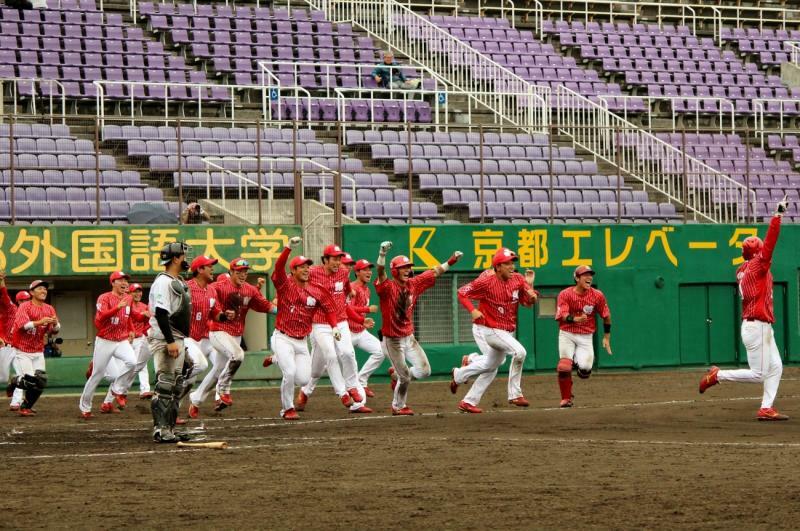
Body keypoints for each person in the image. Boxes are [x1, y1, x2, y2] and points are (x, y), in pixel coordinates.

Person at [699, 197, 789, 421]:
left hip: (760, 326)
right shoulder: (758, 265)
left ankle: (766, 408)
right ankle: (718, 376)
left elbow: (758, 257)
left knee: (776, 366)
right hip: (757, 325)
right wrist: (777, 216)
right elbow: (770, 244)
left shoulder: (744, 269)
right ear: (757, 252)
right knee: (759, 374)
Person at [375, 241, 462, 415]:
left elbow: (435, 272)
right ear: (394, 271)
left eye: (408, 267)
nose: (407, 269)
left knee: (425, 371)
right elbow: (380, 272)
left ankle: (396, 375)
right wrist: (382, 254)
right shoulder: (387, 287)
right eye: (403, 267)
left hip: (408, 337)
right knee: (405, 376)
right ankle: (398, 406)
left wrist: (451, 261)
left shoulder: (414, 284)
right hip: (392, 340)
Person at [450, 248, 538, 413]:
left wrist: (531, 291)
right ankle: (514, 394)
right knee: (520, 352)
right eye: (507, 263)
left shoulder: (518, 279)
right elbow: (462, 292)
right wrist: (472, 310)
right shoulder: (486, 281)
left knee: (492, 365)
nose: (512, 266)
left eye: (513, 262)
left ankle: (465, 391)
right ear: (497, 266)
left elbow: (526, 302)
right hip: (491, 329)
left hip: (507, 330)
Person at [270, 237, 340, 420]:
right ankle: (287, 409)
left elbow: (329, 309)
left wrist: (334, 327)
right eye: (301, 266)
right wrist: (287, 249)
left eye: (308, 266)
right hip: (283, 337)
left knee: (303, 379)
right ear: (292, 271)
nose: (306, 269)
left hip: (301, 341)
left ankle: (276, 358)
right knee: (290, 373)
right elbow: (278, 269)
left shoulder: (316, 290)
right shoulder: (285, 285)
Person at [296, 244, 370, 413]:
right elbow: (294, 279)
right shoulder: (313, 273)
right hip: (320, 324)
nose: (338, 262)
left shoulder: (343, 273)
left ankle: (349, 389)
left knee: (347, 353)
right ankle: (310, 392)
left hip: (340, 322)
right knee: (318, 367)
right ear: (325, 260)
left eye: (340, 259)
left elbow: (345, 288)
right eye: (334, 259)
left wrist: (350, 291)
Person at [208, 257, 275, 411]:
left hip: (236, 332)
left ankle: (199, 398)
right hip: (217, 330)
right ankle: (222, 390)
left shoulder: (248, 289)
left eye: (245, 271)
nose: (243, 274)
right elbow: (210, 302)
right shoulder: (218, 287)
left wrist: (279, 311)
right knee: (236, 356)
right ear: (231, 272)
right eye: (239, 271)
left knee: (220, 368)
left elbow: (262, 304)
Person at [148, 241, 193, 443]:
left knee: (176, 384)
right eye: (183, 255)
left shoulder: (177, 280)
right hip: (165, 338)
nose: (186, 258)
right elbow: (160, 313)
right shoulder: (163, 282)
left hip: (177, 338)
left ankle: (171, 428)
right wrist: (169, 341)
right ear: (175, 258)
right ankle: (161, 429)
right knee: (165, 384)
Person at [79, 271, 139, 418]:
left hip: (121, 339)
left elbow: (129, 316)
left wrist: (131, 329)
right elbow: (101, 316)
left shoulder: (128, 298)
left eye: (126, 280)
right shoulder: (104, 297)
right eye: (120, 280)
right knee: (97, 376)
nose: (124, 283)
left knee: (132, 362)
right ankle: (85, 407)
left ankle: (116, 390)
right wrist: (117, 307)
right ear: (112, 283)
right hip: (105, 340)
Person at [554, 265, 612, 408]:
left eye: (590, 274)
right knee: (563, 367)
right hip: (567, 333)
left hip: (586, 336)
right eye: (585, 275)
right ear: (577, 278)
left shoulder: (597, 295)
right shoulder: (565, 294)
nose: (589, 277)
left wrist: (606, 337)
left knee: (585, 370)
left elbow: (606, 316)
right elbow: (562, 315)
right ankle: (566, 398)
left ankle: (577, 363)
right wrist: (574, 319)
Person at [185, 255, 235, 419]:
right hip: (183, 336)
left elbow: (215, 313)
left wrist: (224, 315)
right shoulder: (186, 288)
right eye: (209, 266)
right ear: (199, 269)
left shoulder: (211, 290)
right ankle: (169, 389)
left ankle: (178, 401)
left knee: (194, 376)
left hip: (200, 339)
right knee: (200, 365)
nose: (212, 268)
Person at [5, 280, 59, 417]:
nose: (43, 291)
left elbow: (53, 331)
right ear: (32, 292)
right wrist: (40, 322)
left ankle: (26, 407)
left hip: (38, 350)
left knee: (41, 381)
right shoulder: (24, 307)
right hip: (22, 350)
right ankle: (14, 381)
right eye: (40, 288)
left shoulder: (49, 308)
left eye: (45, 289)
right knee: (29, 381)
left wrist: (56, 324)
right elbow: (23, 325)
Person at [349, 259, 385, 398]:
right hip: (347, 332)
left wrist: (364, 321)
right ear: (357, 272)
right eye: (365, 269)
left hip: (360, 331)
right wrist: (367, 309)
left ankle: (362, 382)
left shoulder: (367, 290)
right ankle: (306, 390)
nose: (369, 272)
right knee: (325, 364)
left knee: (380, 351)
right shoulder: (352, 287)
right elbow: (349, 309)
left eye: (370, 269)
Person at [0, 271, 30, 411]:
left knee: (21, 375)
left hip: (19, 348)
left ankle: (15, 402)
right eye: (22, 300)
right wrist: (1, 281)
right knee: (2, 378)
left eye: (27, 300)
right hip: (5, 346)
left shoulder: (30, 315)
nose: (25, 302)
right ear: (18, 301)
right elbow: (4, 295)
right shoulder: (12, 309)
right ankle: (11, 382)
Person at [129, 284, 153, 398]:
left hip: (139, 339)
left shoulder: (145, 306)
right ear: (129, 293)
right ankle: (120, 389)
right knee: (125, 366)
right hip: (125, 340)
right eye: (135, 291)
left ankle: (145, 390)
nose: (138, 294)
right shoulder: (126, 305)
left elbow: (148, 323)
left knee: (142, 365)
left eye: (139, 291)